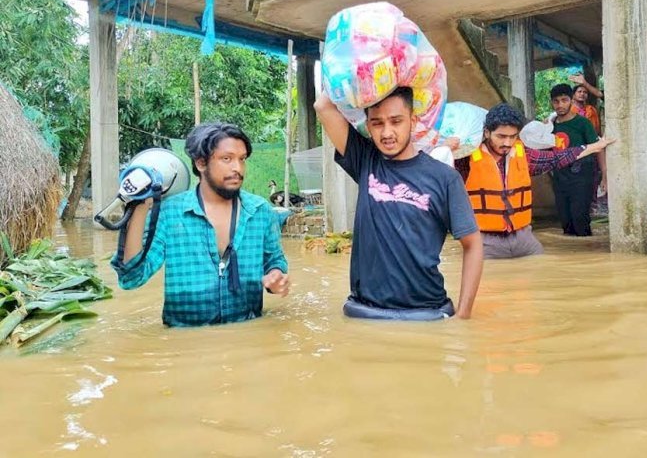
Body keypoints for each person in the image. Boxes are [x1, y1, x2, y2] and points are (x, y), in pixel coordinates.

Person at [313, 87, 483, 320]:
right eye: (377, 123)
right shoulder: (365, 160)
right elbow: (322, 106)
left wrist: (463, 315)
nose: (387, 133)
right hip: (365, 313)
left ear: (412, 121)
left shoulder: (445, 178)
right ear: (368, 126)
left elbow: (473, 244)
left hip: (427, 313)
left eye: (396, 121)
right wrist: (367, 65)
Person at [111, 123, 290, 327]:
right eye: (226, 159)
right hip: (185, 343)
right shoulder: (170, 214)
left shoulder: (260, 211)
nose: (237, 168)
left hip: (247, 337)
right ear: (201, 163)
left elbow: (275, 259)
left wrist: (276, 276)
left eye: (242, 159)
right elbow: (132, 278)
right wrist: (139, 207)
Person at [454, 103, 614, 259]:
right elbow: (437, 166)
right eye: (501, 136)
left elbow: (556, 158)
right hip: (485, 242)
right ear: (487, 133)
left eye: (512, 136)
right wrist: (447, 147)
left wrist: (595, 146)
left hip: (524, 240)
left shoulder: (524, 155)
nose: (507, 143)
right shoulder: (465, 160)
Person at [549, 84, 605, 236]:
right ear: (552, 103)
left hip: (582, 177)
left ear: (571, 101)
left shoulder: (583, 123)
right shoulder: (550, 126)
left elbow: (598, 148)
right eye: (556, 101)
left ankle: (587, 254)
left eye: (564, 100)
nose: (560, 105)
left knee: (580, 219)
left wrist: (605, 176)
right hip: (560, 178)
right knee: (565, 222)